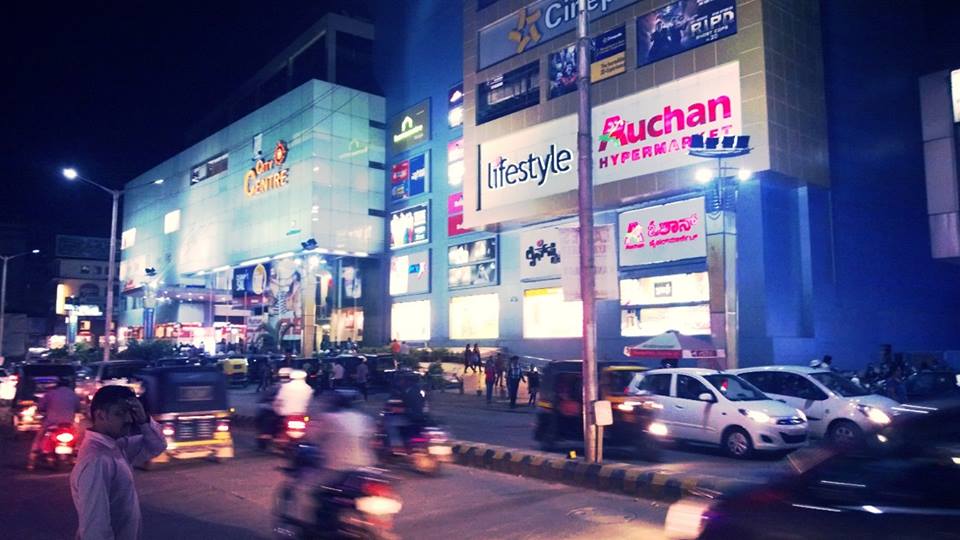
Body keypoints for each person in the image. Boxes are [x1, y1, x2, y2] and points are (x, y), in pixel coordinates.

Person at [70, 385, 166, 540]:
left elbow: (156, 446)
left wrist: (143, 420)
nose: (129, 419)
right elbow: (96, 528)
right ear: (100, 415)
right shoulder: (97, 460)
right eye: (120, 413)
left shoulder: (117, 446)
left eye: (130, 412)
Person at [28, 376, 82, 470]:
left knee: (39, 437)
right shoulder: (73, 395)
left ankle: (32, 460)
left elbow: (41, 407)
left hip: (51, 422)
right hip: (68, 423)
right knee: (78, 436)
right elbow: (78, 408)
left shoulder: (50, 394)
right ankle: (76, 453)